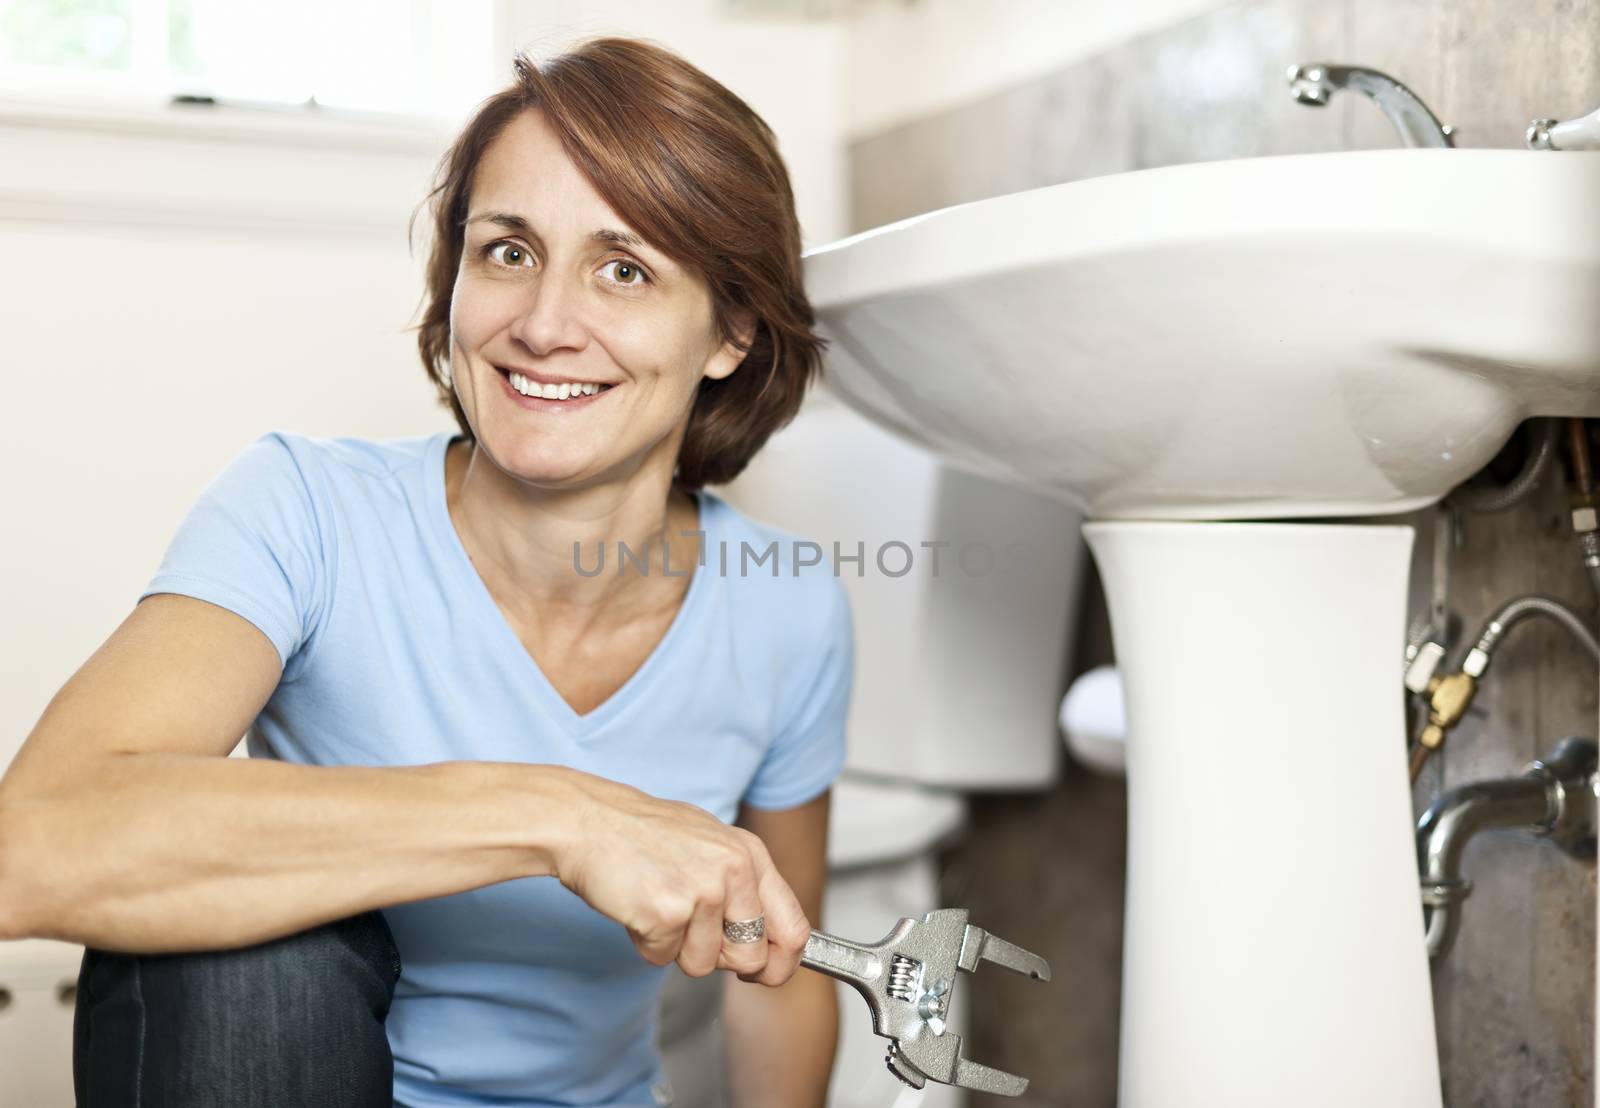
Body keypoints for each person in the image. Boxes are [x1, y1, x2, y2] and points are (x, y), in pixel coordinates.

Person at [0, 36, 853, 1108]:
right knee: (251, 931)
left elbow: (775, 972)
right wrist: (563, 816)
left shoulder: (786, 605)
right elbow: (31, 847)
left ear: (730, 328)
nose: (542, 324)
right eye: (506, 251)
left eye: (623, 268)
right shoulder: (303, 511)